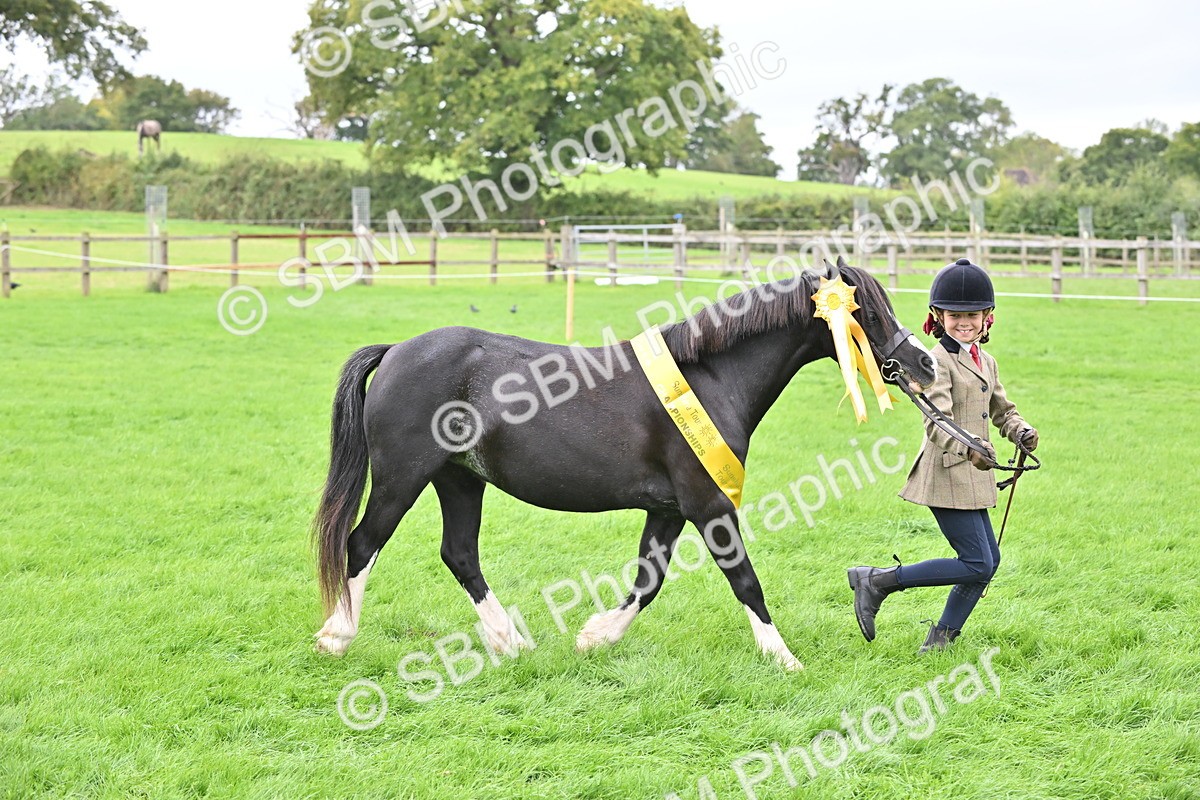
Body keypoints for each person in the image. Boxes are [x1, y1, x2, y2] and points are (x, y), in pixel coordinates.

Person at [848, 258, 1038, 653]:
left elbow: (1003, 410)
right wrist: (970, 447)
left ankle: (940, 640)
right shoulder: (935, 363)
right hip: (947, 472)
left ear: (987, 317)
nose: (964, 322)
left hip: (975, 474)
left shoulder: (985, 361)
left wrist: (1020, 430)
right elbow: (937, 422)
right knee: (977, 562)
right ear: (938, 317)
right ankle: (877, 581)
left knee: (988, 562)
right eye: (955, 315)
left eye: (972, 315)